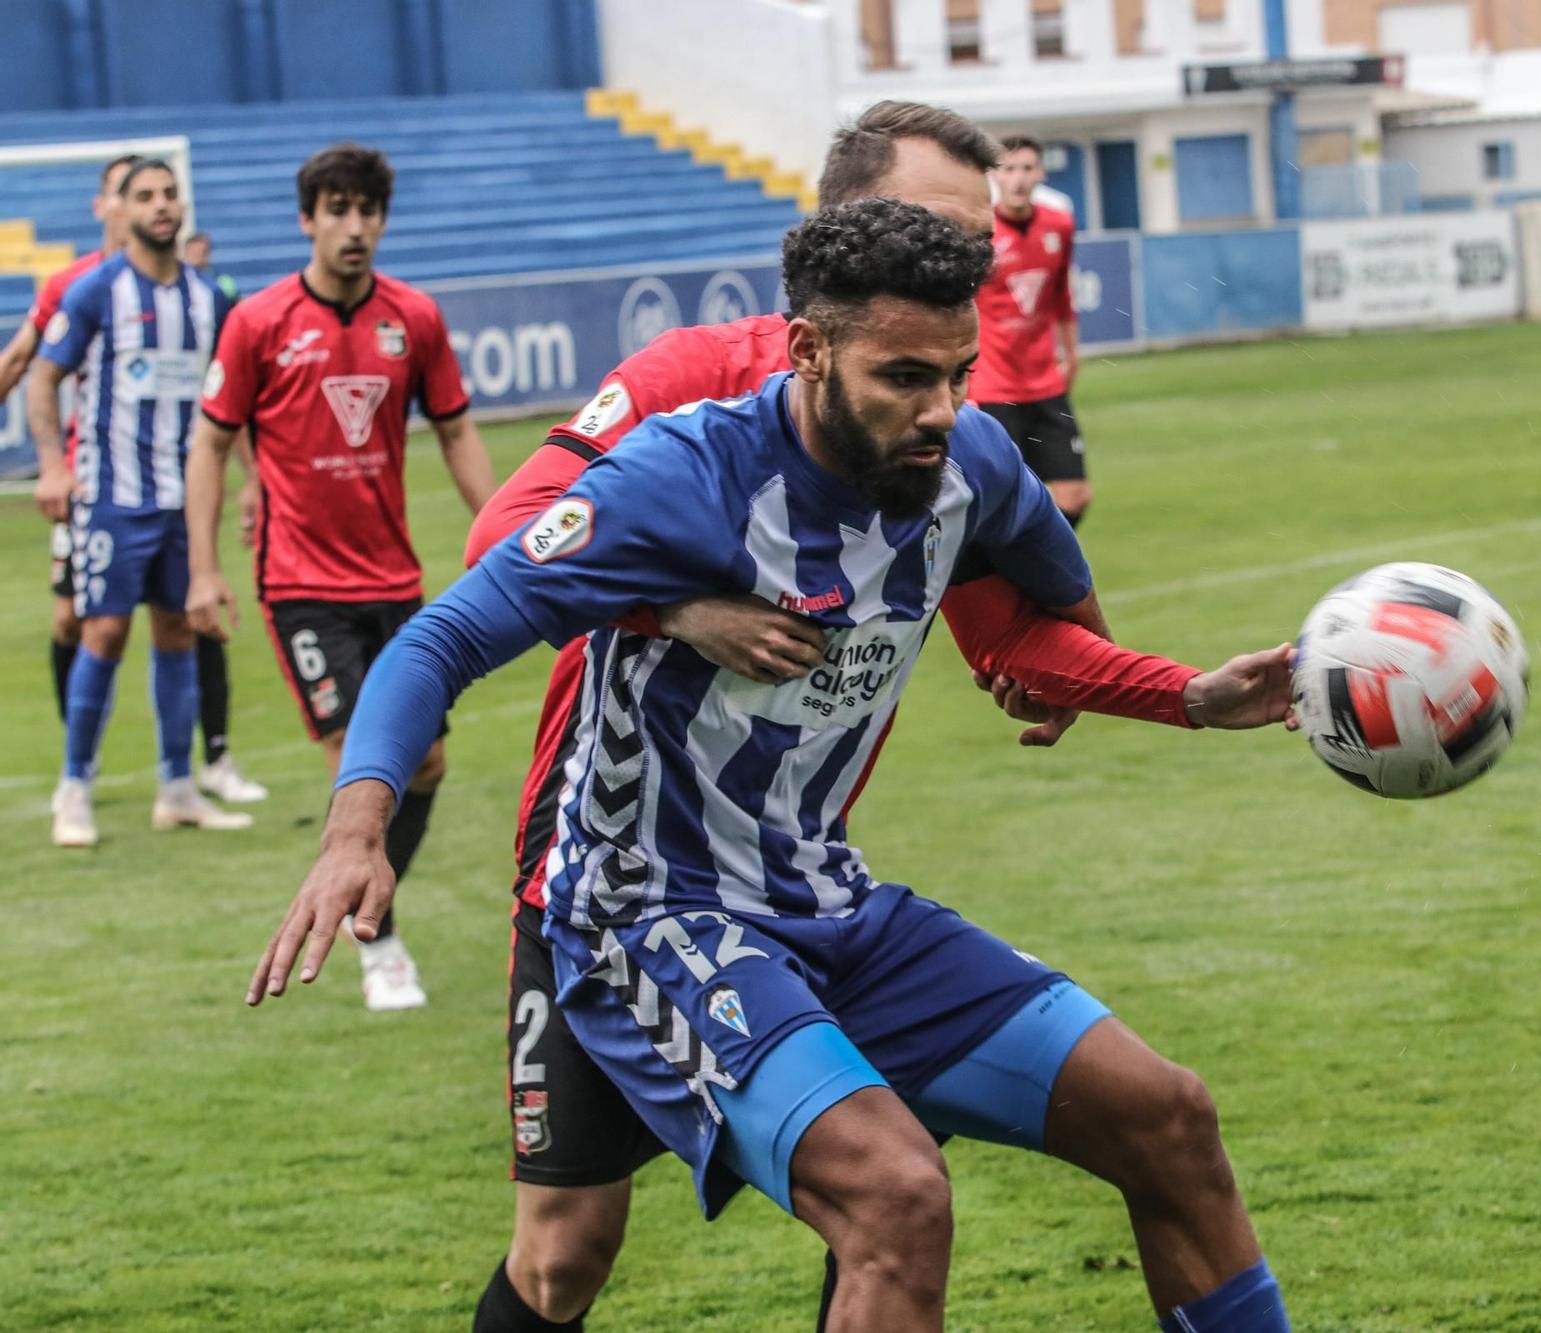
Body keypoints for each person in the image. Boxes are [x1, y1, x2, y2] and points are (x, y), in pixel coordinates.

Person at [250, 198, 1293, 1333]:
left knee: (1166, 1117)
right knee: (887, 1197)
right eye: (903, 376)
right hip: (649, 909)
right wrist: (356, 829)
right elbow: (441, 637)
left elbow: (1030, 629)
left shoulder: (968, 458)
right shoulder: (677, 475)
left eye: (957, 371)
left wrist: (1186, 696)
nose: (939, 408)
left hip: (825, 896)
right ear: (807, 350)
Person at [185, 144, 495, 1011]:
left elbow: (459, 432)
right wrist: (206, 569)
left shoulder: (416, 319)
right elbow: (209, 444)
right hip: (300, 584)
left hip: (394, 579)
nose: (353, 227)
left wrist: (517, 533)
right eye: (336, 209)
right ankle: (378, 937)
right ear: (307, 218)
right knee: (363, 761)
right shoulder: (258, 321)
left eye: (367, 210)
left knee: (426, 762)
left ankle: (369, 897)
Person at [0, 154, 265, 806]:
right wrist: (54, 466)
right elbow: (40, 375)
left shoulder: (211, 299)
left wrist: (253, 479)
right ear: (119, 209)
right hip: (112, 494)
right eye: (145, 194)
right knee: (101, 630)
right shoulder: (91, 290)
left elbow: (232, 402)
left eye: (170, 193)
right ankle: (75, 786)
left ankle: (178, 788)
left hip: (186, 499)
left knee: (180, 629)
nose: (161, 205)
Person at [968, 134, 1090, 525]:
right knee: (1003, 500)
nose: (1018, 178)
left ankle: (1039, 563)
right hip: (994, 387)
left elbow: (1060, 295)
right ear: (996, 176)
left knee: (1075, 496)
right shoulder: (978, 231)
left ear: (1040, 172)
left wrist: (1071, 352)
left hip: (1045, 382)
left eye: (1026, 168)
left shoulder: (1060, 224)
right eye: (1009, 169)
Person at [183, 231, 239, 301]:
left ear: (208, 255)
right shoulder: (178, 282)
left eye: (199, 253)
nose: (194, 257)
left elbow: (236, 306)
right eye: (192, 252)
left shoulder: (224, 283)